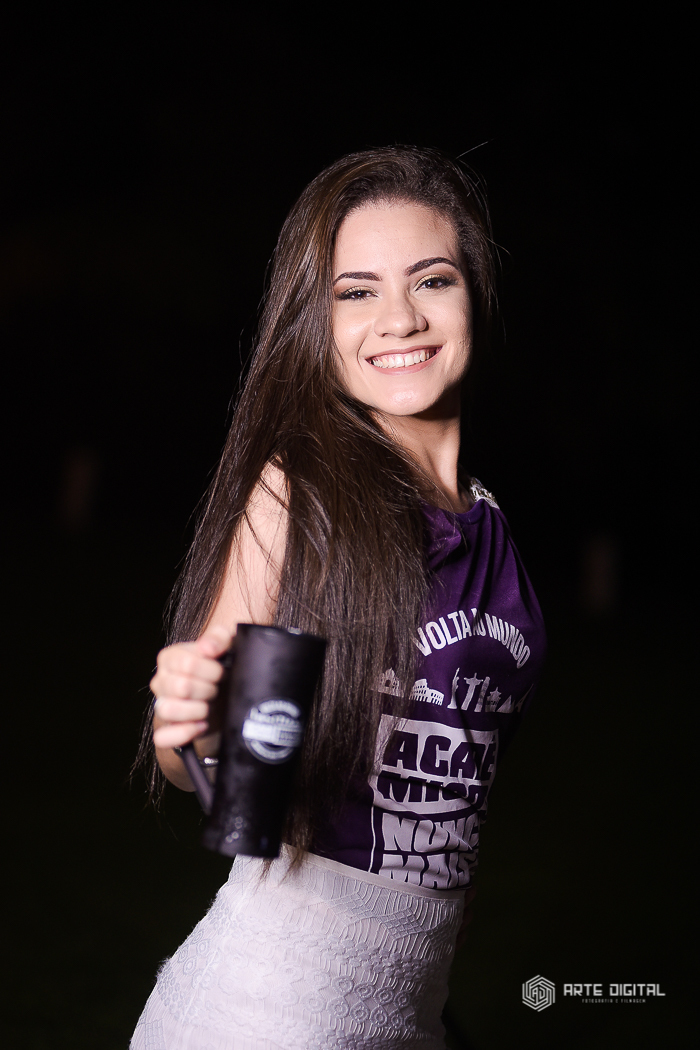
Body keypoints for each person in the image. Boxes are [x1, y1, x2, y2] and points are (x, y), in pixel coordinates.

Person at [131, 146, 546, 1049]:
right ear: (315, 324)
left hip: (411, 1008)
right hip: (268, 1007)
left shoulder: (493, 530)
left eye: (431, 279)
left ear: (473, 294)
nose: (399, 318)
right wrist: (191, 723)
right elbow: (204, 757)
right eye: (356, 292)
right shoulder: (301, 492)